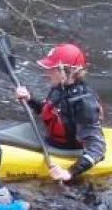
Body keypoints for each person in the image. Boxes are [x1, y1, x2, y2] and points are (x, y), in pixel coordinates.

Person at [13, 41, 106, 182]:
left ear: (66, 71)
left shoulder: (84, 102)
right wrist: (29, 99)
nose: (47, 72)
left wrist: (69, 172)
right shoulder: (60, 87)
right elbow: (50, 113)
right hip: (53, 142)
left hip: (69, 152)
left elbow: (97, 149)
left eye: (52, 69)